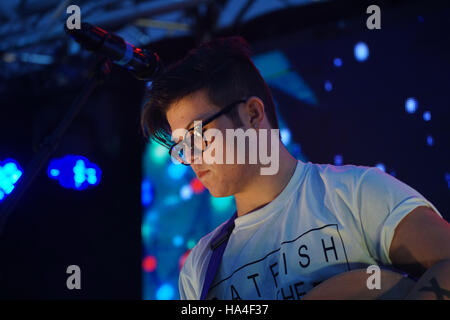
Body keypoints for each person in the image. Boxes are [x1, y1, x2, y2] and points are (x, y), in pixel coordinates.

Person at [140, 36, 450, 300]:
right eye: (180, 147)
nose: (190, 157)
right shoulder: (200, 267)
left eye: (196, 136)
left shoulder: (356, 193)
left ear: (252, 114)